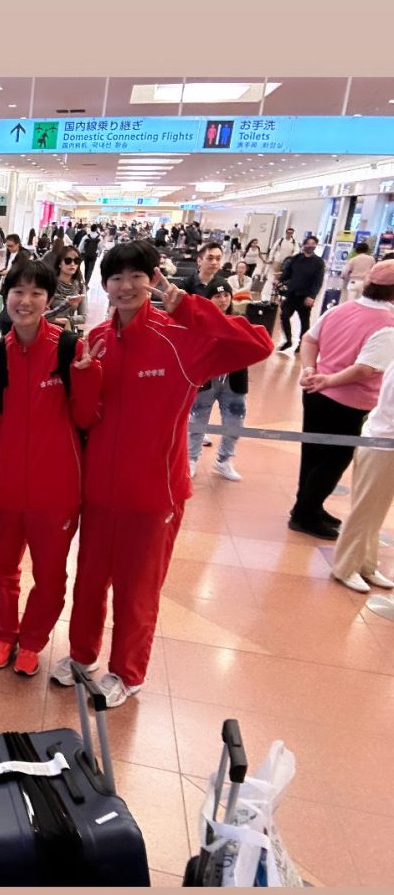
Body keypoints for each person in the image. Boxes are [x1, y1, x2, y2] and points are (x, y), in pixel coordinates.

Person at [50, 240, 273, 707]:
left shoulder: (180, 335)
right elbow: (86, 418)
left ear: (154, 279)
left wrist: (191, 308)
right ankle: (82, 655)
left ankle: (127, 673)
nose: (126, 286)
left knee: (137, 590)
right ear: (105, 285)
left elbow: (259, 343)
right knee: (88, 582)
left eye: (137, 276)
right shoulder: (97, 339)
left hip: (155, 494)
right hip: (99, 491)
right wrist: (85, 376)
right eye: (116, 278)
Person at [0, 261, 102, 676]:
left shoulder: (69, 350)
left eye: (36, 293)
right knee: (2, 568)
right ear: (6, 296)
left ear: (49, 301)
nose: (25, 301)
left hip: (57, 491)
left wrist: (88, 376)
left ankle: (32, 641)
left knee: (50, 576)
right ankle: (4, 635)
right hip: (6, 488)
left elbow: (85, 418)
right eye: (18, 291)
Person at [289, 262, 394, 539]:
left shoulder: (341, 309)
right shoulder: (387, 324)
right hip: (347, 402)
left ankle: (307, 506)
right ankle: (305, 516)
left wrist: (310, 370)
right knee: (334, 459)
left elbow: (309, 339)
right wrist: (329, 380)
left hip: (315, 394)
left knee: (312, 455)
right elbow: (364, 369)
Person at [330, 352, 394, 593]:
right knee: (364, 509)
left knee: (378, 509)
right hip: (381, 442)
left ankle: (366, 563)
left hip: (386, 443)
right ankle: (345, 567)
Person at [188, 284, 251, 481]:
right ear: (209, 299)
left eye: (226, 295)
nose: (223, 300)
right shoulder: (200, 321)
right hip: (206, 379)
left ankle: (224, 460)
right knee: (198, 419)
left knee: (235, 422)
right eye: (217, 296)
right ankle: (191, 459)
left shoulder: (240, 320)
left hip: (234, 380)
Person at [276, 234, 326, 351]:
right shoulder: (296, 258)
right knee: (284, 316)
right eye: (308, 243)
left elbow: (318, 281)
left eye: (313, 244)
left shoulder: (319, 262)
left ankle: (301, 344)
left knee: (304, 321)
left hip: (305, 296)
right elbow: (288, 273)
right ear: (304, 245)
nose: (310, 246)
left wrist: (312, 296)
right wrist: (279, 279)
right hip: (292, 294)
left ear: (316, 246)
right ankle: (288, 341)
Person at [45, 245, 87, 332]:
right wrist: (60, 320)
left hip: (67, 332)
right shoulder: (50, 283)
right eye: (68, 261)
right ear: (59, 264)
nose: (73, 264)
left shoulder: (80, 286)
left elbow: (83, 317)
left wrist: (66, 320)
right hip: (48, 330)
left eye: (76, 261)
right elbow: (42, 314)